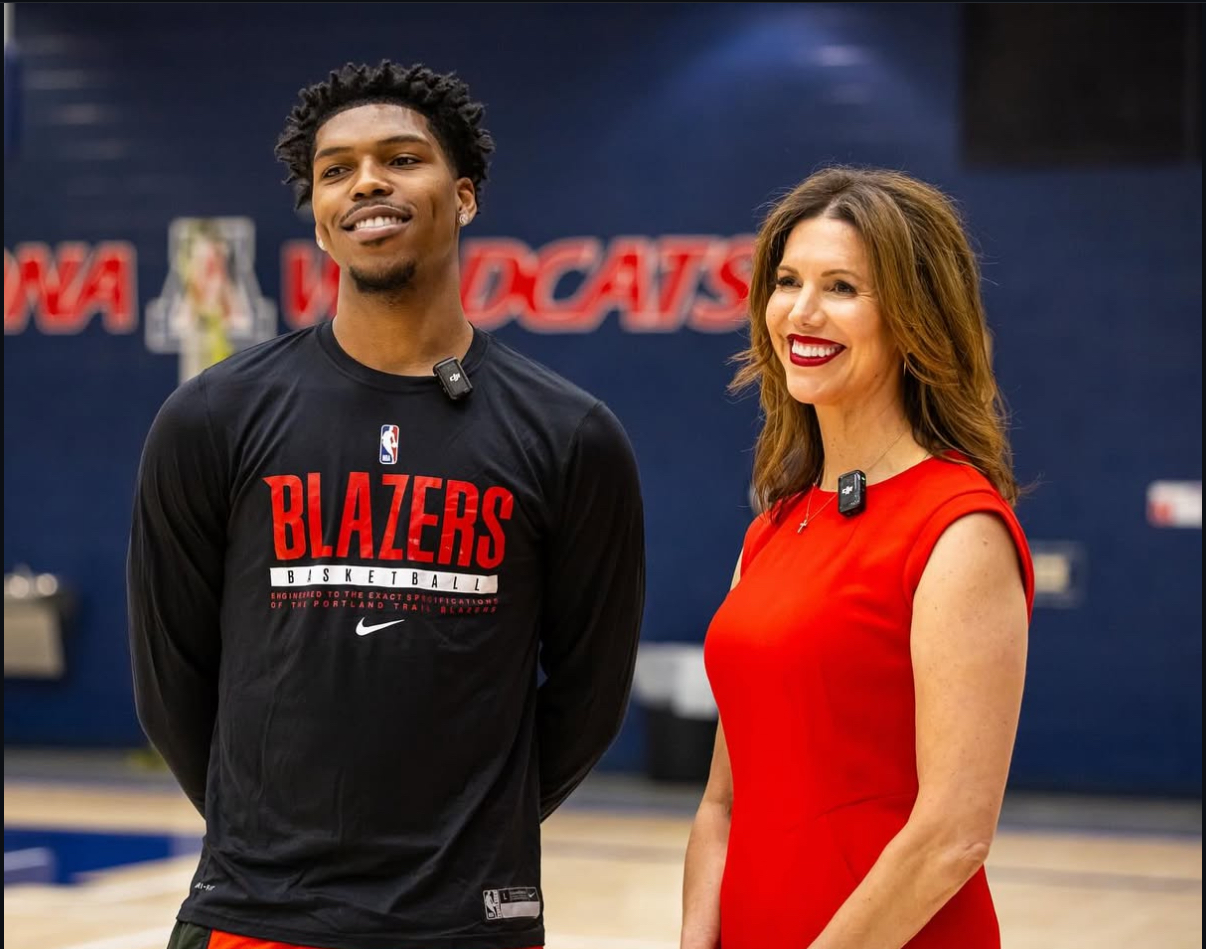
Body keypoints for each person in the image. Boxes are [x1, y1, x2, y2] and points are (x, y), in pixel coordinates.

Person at [127, 60, 646, 949]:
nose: (367, 181)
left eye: (402, 158)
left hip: (467, 918)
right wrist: (266, 833)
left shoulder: (569, 435)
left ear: (466, 196)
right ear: (322, 218)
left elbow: (589, 696)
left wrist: (469, 840)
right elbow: (172, 676)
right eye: (336, 170)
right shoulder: (213, 416)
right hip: (258, 914)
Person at [680, 166, 1033, 949]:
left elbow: (952, 835)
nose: (801, 312)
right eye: (787, 281)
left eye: (842, 287)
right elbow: (722, 803)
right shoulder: (770, 530)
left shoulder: (959, 526)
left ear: (913, 317)